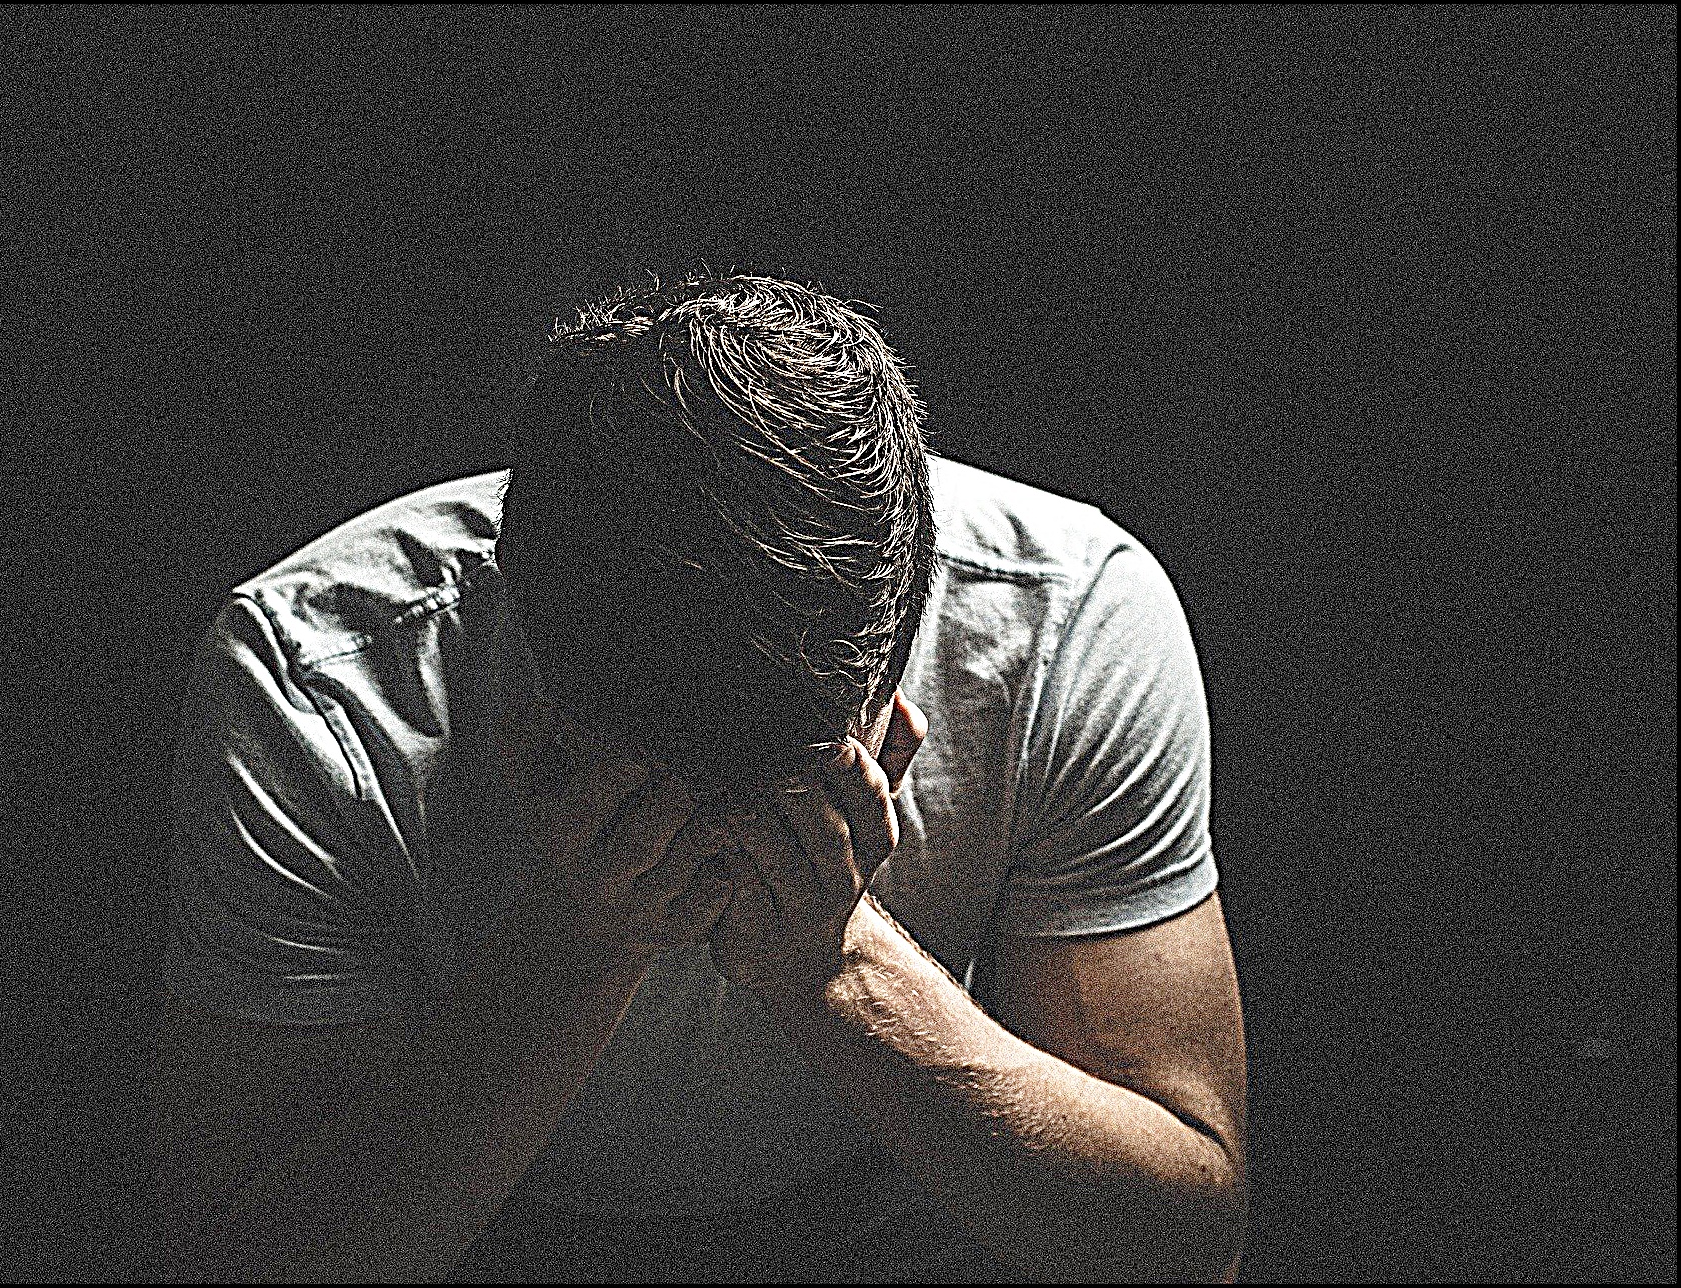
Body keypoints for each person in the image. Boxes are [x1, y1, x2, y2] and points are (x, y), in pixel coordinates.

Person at [147, 271, 1248, 1283]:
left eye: (790, 781)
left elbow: (1184, 1250)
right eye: (658, 786)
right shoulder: (313, 685)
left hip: (913, 1218)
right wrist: (574, 946)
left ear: (912, 621)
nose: (715, 848)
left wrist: (836, 966)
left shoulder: (1069, 623)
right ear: (518, 621)